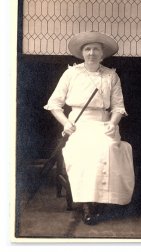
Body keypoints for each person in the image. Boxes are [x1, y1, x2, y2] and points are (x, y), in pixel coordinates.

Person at [44, 31, 135, 225]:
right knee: (85, 151)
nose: (91, 52)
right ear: (82, 52)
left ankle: (104, 201)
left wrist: (112, 123)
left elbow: (118, 107)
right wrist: (66, 123)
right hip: (79, 125)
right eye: (87, 49)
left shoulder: (111, 76)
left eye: (96, 49)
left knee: (109, 148)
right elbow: (54, 103)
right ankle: (87, 205)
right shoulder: (71, 73)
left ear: (102, 54)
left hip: (104, 125)